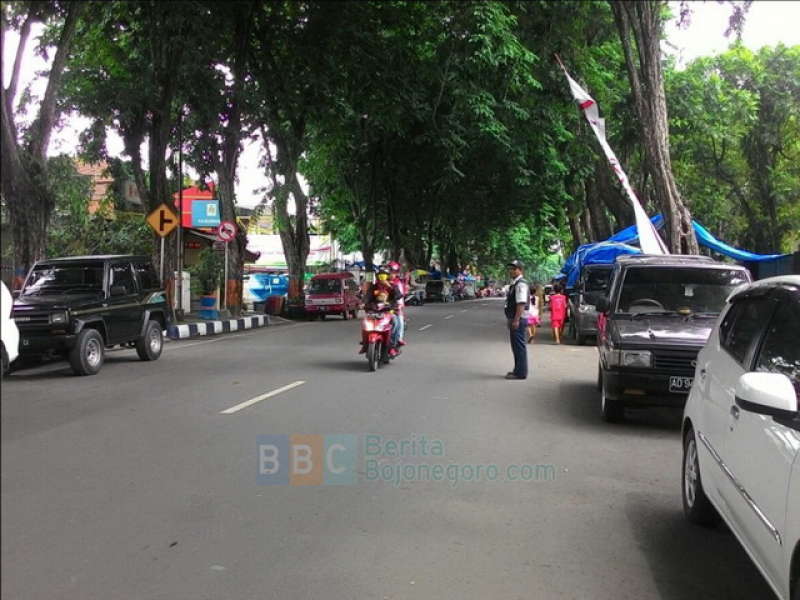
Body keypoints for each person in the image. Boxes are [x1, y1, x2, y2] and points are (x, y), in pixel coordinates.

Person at [504, 260, 530, 380]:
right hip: (516, 318)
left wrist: (516, 320)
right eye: (510, 268)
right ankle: (517, 370)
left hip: (519, 319)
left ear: (520, 270)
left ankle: (520, 373)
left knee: (519, 346)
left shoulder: (521, 284)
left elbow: (521, 303)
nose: (511, 271)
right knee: (516, 346)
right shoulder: (515, 283)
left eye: (514, 269)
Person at [387, 261, 406, 347]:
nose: (391, 273)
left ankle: (397, 340)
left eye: (393, 272)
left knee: (399, 322)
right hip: (380, 307)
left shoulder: (397, 283)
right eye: (389, 271)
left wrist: (399, 305)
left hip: (394, 307)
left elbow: (400, 296)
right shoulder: (380, 282)